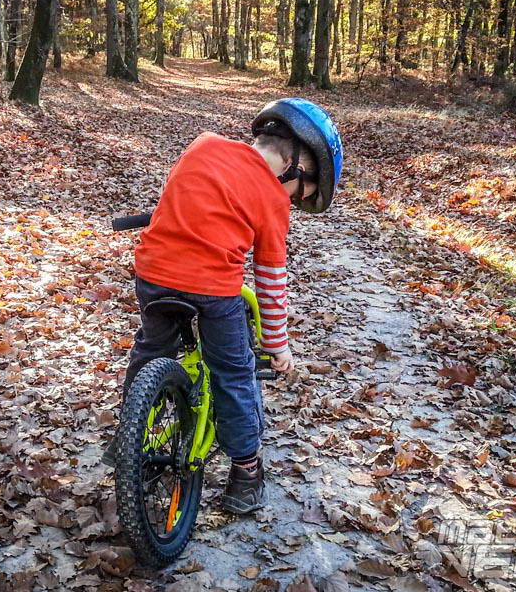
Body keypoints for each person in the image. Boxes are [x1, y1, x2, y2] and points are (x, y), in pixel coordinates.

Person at [103, 98, 344, 514]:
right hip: (213, 290)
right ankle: (246, 472)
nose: (294, 201)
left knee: (150, 350)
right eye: (302, 192)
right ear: (298, 164)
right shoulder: (272, 199)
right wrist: (277, 343)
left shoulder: (204, 145)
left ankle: (131, 434)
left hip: (153, 274)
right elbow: (270, 279)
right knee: (233, 371)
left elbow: (179, 200)